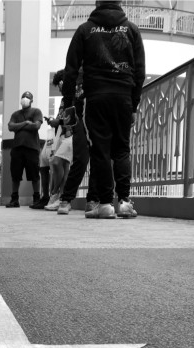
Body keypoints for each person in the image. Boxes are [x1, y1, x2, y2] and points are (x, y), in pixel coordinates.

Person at [62, 0, 145, 218]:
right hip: (123, 97)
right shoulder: (132, 29)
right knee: (121, 149)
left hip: (96, 97)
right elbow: (140, 72)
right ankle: (125, 202)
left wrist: (69, 103)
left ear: (97, 3)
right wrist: (134, 104)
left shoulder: (85, 30)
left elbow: (70, 69)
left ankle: (106, 204)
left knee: (100, 150)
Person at [57, 68, 99, 215]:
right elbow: (69, 106)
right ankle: (66, 199)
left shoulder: (95, 75)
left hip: (97, 119)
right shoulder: (72, 82)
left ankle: (92, 200)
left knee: (97, 160)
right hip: (80, 122)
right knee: (80, 160)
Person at [6, 91, 43, 208]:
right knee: (15, 175)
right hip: (17, 148)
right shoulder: (15, 114)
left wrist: (19, 126)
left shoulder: (36, 111)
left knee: (34, 175)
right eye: (23, 97)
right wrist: (26, 123)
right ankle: (14, 199)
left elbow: (36, 126)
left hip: (32, 148)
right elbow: (10, 126)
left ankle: (36, 198)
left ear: (31, 100)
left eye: (27, 97)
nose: (25, 99)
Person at [44, 71, 75, 212]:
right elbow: (60, 118)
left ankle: (58, 195)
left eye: (61, 84)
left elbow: (72, 117)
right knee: (63, 166)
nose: (60, 88)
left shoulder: (75, 95)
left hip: (71, 135)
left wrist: (59, 121)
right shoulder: (64, 100)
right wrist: (53, 121)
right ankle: (60, 197)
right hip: (61, 135)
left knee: (57, 162)